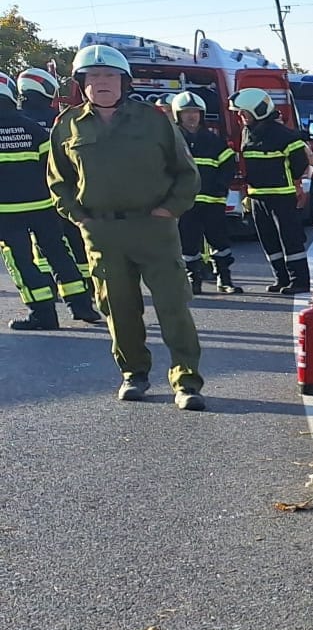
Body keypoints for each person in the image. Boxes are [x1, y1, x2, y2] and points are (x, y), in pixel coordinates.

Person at [47, 43, 206, 409]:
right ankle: (134, 374)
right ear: (82, 83)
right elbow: (59, 180)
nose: (102, 82)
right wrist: (81, 217)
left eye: (110, 76)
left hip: (154, 229)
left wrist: (169, 211)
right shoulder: (67, 125)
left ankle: (186, 382)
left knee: (173, 306)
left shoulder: (154, 119)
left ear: (124, 81)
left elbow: (186, 172)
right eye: (94, 76)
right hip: (103, 233)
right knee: (118, 308)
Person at [0, 74, 101, 331]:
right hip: (43, 206)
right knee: (58, 252)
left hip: (6, 213)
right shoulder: (32, 128)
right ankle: (81, 305)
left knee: (22, 262)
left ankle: (43, 313)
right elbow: (55, 168)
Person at [15, 65, 93, 296]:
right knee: (74, 240)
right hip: (64, 191)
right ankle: (86, 285)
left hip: (30, 196)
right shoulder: (60, 118)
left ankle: (49, 284)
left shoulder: (16, 119)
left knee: (41, 246)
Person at [230, 87, 311, 294]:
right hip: (257, 196)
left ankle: (299, 281)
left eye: (243, 112)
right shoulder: (247, 132)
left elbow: (300, 163)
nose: (240, 116)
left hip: (282, 197)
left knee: (290, 239)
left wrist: (290, 182)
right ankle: (281, 279)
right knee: (268, 240)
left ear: (257, 110)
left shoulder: (284, 135)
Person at [170, 90, 241, 294]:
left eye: (195, 112)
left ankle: (225, 279)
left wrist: (221, 187)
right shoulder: (172, 141)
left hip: (213, 201)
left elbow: (228, 165)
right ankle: (194, 280)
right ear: (178, 115)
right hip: (185, 203)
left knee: (220, 242)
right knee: (188, 244)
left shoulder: (213, 140)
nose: (192, 116)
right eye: (186, 112)